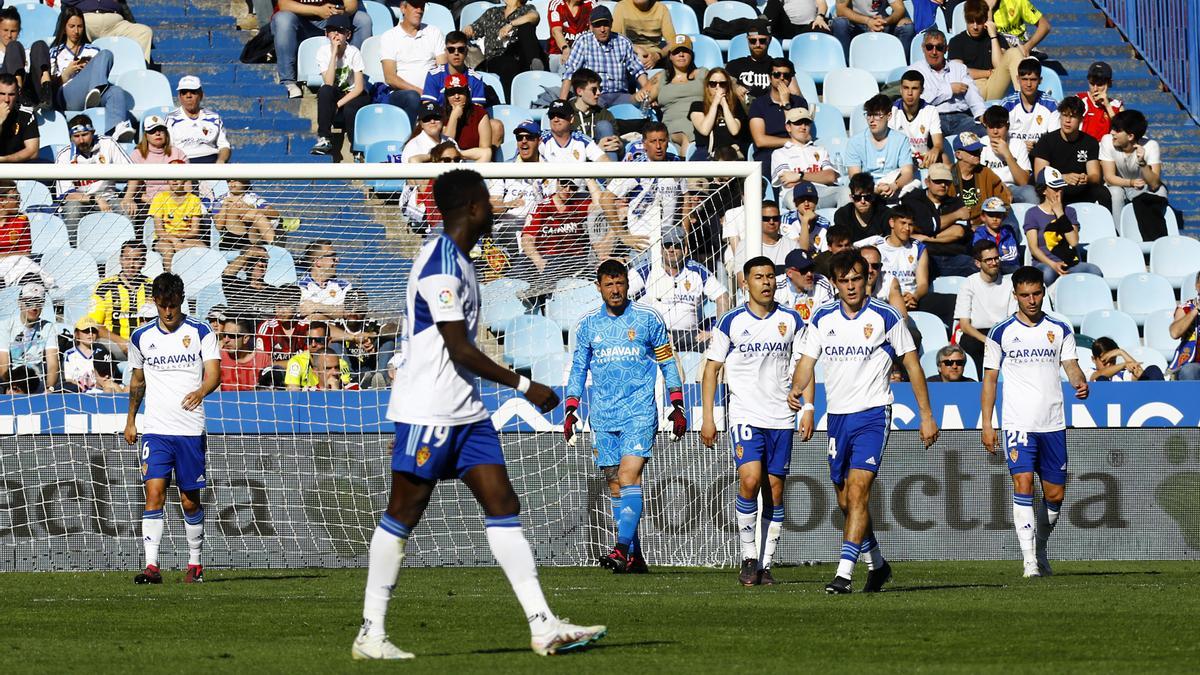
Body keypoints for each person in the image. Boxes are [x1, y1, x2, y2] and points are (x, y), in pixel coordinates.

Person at [354, 169, 606, 659]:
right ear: (471, 206)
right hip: (430, 408)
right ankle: (371, 631)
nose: (494, 208)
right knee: (404, 512)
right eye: (488, 201)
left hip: (465, 410)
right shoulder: (441, 264)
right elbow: (457, 348)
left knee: (502, 502)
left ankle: (542, 624)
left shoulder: (463, 261)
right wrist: (526, 385)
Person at [789, 249, 938, 593]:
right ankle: (879, 565)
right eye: (845, 281)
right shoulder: (823, 317)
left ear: (867, 278)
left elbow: (912, 365)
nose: (852, 286)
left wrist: (926, 416)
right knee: (845, 501)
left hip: (873, 413)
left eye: (858, 278)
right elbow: (807, 360)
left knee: (858, 492)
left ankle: (843, 575)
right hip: (838, 417)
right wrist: (797, 390)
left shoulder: (886, 316)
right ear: (835, 284)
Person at [565, 258, 685, 575]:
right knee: (616, 486)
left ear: (628, 284)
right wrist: (570, 408)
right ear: (599, 287)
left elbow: (668, 362)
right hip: (602, 415)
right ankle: (634, 556)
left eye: (620, 283)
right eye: (609, 284)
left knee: (630, 477)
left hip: (639, 411)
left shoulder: (647, 318)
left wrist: (677, 403)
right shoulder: (588, 325)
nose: (615, 290)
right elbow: (578, 368)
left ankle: (619, 550)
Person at [700, 255, 809, 586]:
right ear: (745, 283)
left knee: (775, 490)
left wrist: (808, 408)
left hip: (781, 415)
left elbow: (806, 364)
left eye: (770, 277)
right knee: (749, 480)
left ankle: (766, 563)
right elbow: (711, 370)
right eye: (758, 277)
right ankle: (748, 558)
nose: (766, 282)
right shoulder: (731, 321)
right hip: (746, 412)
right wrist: (709, 417)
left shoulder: (791, 320)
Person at [981, 264, 1088, 578]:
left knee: (1055, 496)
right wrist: (987, 424)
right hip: (1018, 423)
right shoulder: (1000, 332)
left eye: (1037, 293)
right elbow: (989, 380)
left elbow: (1071, 366)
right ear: (1015, 296)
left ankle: (1040, 549)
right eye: (1025, 295)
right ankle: (1029, 561)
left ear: (1044, 293)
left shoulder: (1060, 328)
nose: (1032, 300)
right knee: (1023, 484)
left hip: (1053, 422)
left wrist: (1080, 382)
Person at [125, 273, 222, 585]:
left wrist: (200, 392)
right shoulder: (141, 337)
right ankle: (151, 566)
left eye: (174, 305)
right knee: (153, 493)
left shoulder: (200, 331)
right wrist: (130, 420)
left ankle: (195, 563)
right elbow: (137, 381)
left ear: (182, 300)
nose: (168, 311)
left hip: (190, 430)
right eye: (163, 305)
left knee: (189, 500)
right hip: (156, 430)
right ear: (155, 302)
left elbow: (214, 374)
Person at [627, 227, 731, 351]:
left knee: (720, 345)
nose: (671, 249)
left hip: (691, 335)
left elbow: (723, 296)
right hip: (655, 334)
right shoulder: (647, 270)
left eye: (676, 245)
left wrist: (716, 331)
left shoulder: (697, 271)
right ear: (660, 249)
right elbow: (621, 293)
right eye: (667, 245)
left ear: (685, 249)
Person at [601, 122, 685, 264]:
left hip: (671, 245)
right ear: (644, 144)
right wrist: (623, 235)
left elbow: (686, 199)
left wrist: (685, 234)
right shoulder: (636, 167)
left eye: (662, 141)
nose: (658, 146)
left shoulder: (677, 163)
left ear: (668, 141)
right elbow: (605, 199)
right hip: (643, 246)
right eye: (653, 141)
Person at [47, 6, 135, 140]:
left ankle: (115, 131)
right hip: (66, 96)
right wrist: (66, 74)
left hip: (94, 97)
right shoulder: (54, 52)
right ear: (64, 28)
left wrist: (89, 69)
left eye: (80, 26)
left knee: (116, 90)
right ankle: (94, 91)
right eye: (72, 26)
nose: (76, 31)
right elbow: (48, 87)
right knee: (104, 56)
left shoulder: (93, 50)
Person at [272, 0, 371, 99]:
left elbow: (351, 5)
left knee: (363, 20)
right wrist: (318, 10)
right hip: (301, 22)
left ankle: (355, 80)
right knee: (283, 19)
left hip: (334, 21)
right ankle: (288, 82)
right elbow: (284, 4)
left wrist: (340, 11)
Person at [55, 114, 133, 238]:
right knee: (72, 209)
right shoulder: (64, 156)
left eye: (85, 135)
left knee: (127, 208)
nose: (81, 140)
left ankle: (127, 251)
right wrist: (95, 198)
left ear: (92, 132)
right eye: (76, 136)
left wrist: (128, 198)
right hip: (81, 202)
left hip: (109, 199)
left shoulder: (108, 144)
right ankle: (73, 252)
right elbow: (67, 195)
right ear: (71, 137)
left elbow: (134, 173)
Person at [1022, 167, 1103, 287]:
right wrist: (1053, 264)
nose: (1059, 192)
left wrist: (1060, 213)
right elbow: (1033, 248)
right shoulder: (1032, 213)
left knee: (1094, 271)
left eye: (1061, 188)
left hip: (1070, 263)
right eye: (1055, 188)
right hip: (1045, 264)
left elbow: (1074, 242)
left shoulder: (1069, 211)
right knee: (1048, 274)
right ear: (1044, 190)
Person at [558, 6, 650, 107]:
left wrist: (648, 93)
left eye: (606, 24)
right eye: (598, 25)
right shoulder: (583, 41)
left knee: (639, 104)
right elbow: (570, 73)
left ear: (611, 24)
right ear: (591, 27)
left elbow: (638, 71)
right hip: (595, 96)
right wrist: (562, 102)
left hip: (620, 94)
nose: (602, 29)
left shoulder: (623, 42)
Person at [1030, 96, 1108, 210]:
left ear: (1081, 119)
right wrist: (1062, 178)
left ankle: (1107, 226)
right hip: (1055, 188)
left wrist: (1086, 178)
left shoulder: (1090, 142)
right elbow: (1040, 177)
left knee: (1102, 192)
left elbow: (1095, 176)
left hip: (1081, 189)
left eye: (1073, 116)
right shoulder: (1046, 141)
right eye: (1065, 115)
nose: (1067, 120)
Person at [911, 28, 985, 146]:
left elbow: (973, 95)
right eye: (929, 47)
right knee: (921, 137)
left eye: (939, 47)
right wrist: (950, 89)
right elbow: (922, 99)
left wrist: (981, 115)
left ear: (946, 49)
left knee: (985, 132)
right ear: (923, 48)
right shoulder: (915, 70)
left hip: (961, 118)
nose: (934, 52)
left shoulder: (959, 68)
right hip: (933, 118)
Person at [310, 14, 370, 157]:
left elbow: (359, 88)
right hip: (336, 92)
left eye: (340, 30)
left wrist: (337, 105)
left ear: (348, 35)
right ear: (326, 33)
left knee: (350, 109)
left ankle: (356, 148)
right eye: (332, 30)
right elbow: (329, 83)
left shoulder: (354, 52)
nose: (336, 34)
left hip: (355, 93)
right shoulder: (323, 52)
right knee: (324, 91)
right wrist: (334, 55)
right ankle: (324, 138)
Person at [901, 162, 974, 277]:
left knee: (979, 266)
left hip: (953, 256)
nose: (943, 185)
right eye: (938, 181)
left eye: (946, 182)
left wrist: (925, 237)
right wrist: (956, 215)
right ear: (927, 182)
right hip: (924, 255)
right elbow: (927, 225)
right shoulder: (913, 200)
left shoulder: (957, 202)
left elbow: (958, 232)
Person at [1099, 109, 1167, 229]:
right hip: (1120, 185)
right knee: (1115, 192)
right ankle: (1120, 233)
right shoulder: (1107, 140)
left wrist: (1142, 163)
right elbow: (1109, 178)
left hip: (1142, 188)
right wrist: (1130, 182)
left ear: (1130, 136)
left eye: (1117, 130)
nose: (1112, 132)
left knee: (1161, 191)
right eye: (1113, 128)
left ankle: (1154, 233)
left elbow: (1155, 184)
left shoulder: (1151, 146)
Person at [380, 0, 446, 124]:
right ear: (403, 8)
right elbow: (390, 77)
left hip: (432, 92)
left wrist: (430, 93)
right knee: (412, 97)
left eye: (422, 6)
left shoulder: (434, 32)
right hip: (401, 94)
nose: (419, 10)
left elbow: (443, 68)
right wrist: (421, 92)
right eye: (415, 6)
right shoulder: (389, 37)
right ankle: (409, 139)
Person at [520, 178, 593, 289]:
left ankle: (538, 291)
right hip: (546, 258)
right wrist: (538, 260)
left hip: (574, 258)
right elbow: (527, 239)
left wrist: (589, 178)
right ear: (557, 182)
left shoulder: (579, 204)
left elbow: (600, 202)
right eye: (564, 184)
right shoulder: (542, 206)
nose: (567, 189)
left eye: (573, 187)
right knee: (519, 267)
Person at [855, 205, 929, 312]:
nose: (907, 228)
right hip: (885, 300)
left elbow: (923, 284)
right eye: (903, 223)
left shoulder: (918, 248)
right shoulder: (877, 248)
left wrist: (914, 297)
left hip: (911, 300)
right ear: (892, 223)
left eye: (910, 224)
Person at [89, 241, 154, 359]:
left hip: (145, 344)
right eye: (127, 259)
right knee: (100, 352)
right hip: (114, 344)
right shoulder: (104, 287)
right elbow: (95, 325)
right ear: (120, 260)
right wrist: (121, 342)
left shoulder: (152, 287)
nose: (131, 264)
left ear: (144, 262)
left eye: (136, 260)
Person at [949, 0, 1024, 101]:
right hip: (973, 86)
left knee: (1014, 52)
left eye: (979, 22)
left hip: (994, 85)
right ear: (966, 20)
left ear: (985, 20)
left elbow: (999, 66)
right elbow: (959, 72)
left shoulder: (997, 38)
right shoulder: (956, 41)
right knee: (977, 86)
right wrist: (988, 73)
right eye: (971, 22)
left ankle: (1022, 98)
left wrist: (993, 37)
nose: (975, 27)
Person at [846, 94, 915, 202]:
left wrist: (894, 186)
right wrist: (874, 190)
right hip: (866, 188)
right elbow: (855, 177)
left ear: (889, 116)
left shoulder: (901, 140)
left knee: (915, 188)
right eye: (869, 115)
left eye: (877, 115)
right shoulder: (855, 142)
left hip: (893, 186)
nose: (871, 120)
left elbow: (908, 173)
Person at [771, 107, 843, 209]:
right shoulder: (779, 153)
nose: (803, 127)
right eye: (798, 123)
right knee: (792, 198)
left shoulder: (820, 150)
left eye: (806, 123)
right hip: (795, 194)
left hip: (821, 193)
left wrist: (799, 175)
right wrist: (819, 177)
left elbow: (830, 177)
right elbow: (788, 182)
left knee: (845, 191)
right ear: (788, 127)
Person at [746, 58, 809, 174]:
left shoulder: (800, 103)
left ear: (790, 79)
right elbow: (760, 140)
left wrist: (786, 104)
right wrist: (791, 141)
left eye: (786, 75)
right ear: (770, 77)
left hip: (797, 154)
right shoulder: (758, 104)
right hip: (769, 155)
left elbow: (802, 134)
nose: (781, 78)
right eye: (777, 74)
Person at [464, 0, 545, 85]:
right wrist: (467, 30)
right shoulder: (492, 12)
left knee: (526, 26)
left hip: (521, 55)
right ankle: (509, 97)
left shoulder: (526, 9)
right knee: (509, 65)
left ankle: (535, 65)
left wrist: (511, 24)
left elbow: (534, 16)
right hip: (496, 57)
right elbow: (473, 29)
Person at [0, 279, 59, 394]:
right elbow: (3, 366)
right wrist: (13, 387)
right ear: (19, 302)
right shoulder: (5, 326)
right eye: (29, 302)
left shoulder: (48, 327)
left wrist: (49, 388)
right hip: (13, 382)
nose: (34, 307)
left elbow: (53, 364)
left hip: (37, 383)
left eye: (38, 303)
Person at [124, 115, 189, 218]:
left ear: (166, 133)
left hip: (176, 201)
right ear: (146, 135)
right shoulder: (137, 155)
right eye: (152, 131)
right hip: (148, 202)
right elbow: (135, 188)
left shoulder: (179, 154)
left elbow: (187, 186)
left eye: (161, 130)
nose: (157, 133)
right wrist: (153, 201)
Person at [652, 35, 705, 155]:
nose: (681, 55)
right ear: (670, 56)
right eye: (677, 52)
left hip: (699, 120)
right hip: (672, 124)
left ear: (691, 55)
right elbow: (640, 97)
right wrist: (644, 99)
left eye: (685, 51)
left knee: (692, 132)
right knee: (688, 134)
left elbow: (725, 81)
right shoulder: (662, 77)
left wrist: (737, 87)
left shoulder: (702, 74)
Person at [947, 130, 1012, 226]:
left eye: (979, 150)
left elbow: (1004, 202)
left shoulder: (986, 173)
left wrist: (976, 220)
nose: (978, 153)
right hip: (956, 226)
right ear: (958, 155)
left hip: (985, 225)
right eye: (972, 151)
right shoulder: (947, 177)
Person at [166, 76, 232, 164]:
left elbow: (224, 146)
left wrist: (221, 160)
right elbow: (168, 148)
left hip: (211, 162)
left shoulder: (214, 118)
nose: (188, 96)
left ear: (201, 95)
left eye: (193, 92)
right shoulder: (171, 119)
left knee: (239, 176)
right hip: (183, 163)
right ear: (179, 96)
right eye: (184, 92)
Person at [61, 0, 154, 62]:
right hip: (87, 20)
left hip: (115, 22)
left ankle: (137, 75)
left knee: (143, 32)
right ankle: (76, 72)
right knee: (76, 30)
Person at [689, 68, 749, 161]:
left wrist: (725, 105)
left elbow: (734, 130)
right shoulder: (697, 106)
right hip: (706, 153)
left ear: (727, 86)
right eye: (713, 84)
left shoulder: (735, 106)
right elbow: (705, 130)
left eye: (722, 84)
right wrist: (715, 104)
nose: (718, 87)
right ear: (707, 86)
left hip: (730, 153)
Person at [980, 104, 1036, 204]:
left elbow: (1024, 182)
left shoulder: (1018, 144)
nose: (995, 131)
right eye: (991, 127)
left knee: (1031, 193)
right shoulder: (981, 144)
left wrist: (1007, 155)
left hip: (1012, 188)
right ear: (986, 127)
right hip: (986, 188)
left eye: (999, 127)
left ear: (1008, 126)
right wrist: (1000, 186)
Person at [0, 7, 53, 112]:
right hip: (7, 94)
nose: (9, 35)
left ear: (19, 31)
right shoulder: (14, 47)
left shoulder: (25, 51)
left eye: (13, 31)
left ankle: (47, 89)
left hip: (31, 94)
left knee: (39, 45)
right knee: (13, 46)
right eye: (5, 30)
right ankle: (18, 91)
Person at [1000, 58, 1058, 152]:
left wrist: (1038, 146)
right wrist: (1020, 147)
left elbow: (1055, 140)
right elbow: (999, 139)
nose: (1029, 84)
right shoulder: (1007, 105)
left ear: (1040, 80)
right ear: (1017, 79)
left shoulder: (1051, 104)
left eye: (1033, 79)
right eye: (1024, 79)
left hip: (1040, 155)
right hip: (1013, 156)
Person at [889, 70, 943, 170]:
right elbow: (890, 146)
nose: (909, 93)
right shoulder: (892, 110)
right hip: (900, 161)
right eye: (906, 88)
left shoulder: (930, 111)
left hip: (924, 160)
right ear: (900, 89)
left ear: (921, 90)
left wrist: (936, 149)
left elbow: (938, 143)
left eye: (914, 88)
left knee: (944, 158)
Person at [566, 68, 623, 161]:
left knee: (604, 125)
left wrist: (619, 146)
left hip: (603, 163)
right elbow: (564, 150)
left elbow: (617, 150)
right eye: (594, 90)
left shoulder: (604, 114)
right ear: (579, 91)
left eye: (599, 89)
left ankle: (611, 174)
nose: (598, 93)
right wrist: (595, 150)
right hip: (576, 167)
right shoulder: (566, 115)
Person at [733, 201, 797, 284]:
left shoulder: (793, 246)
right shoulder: (744, 246)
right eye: (766, 219)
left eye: (775, 218)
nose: (771, 222)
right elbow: (742, 282)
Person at [831, 0, 915, 62]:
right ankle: (845, 67)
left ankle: (899, 69)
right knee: (840, 23)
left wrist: (886, 21)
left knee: (907, 27)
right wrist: (868, 21)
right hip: (855, 24)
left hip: (881, 22)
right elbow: (841, 10)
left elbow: (899, 9)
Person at [149, 178, 204, 272]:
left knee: (202, 249)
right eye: (171, 178)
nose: (174, 181)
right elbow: (159, 231)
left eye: (178, 178)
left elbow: (194, 231)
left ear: (184, 180)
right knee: (168, 251)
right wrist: (175, 240)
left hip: (187, 238)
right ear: (167, 180)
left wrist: (179, 239)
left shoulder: (194, 199)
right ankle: (169, 280)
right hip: (164, 239)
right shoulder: (160, 197)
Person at [421, 31, 487, 106]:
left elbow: (477, 112)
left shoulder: (475, 79)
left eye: (461, 49)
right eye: (451, 49)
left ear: (466, 51)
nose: (456, 53)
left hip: (467, 117)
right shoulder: (433, 76)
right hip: (438, 117)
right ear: (446, 52)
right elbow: (428, 108)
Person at [62, 316, 122, 393]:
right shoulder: (69, 355)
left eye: (93, 331)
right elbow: (68, 379)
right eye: (86, 331)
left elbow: (109, 378)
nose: (90, 334)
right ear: (77, 334)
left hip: (101, 390)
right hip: (79, 392)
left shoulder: (103, 353)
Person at [284, 322, 352, 390]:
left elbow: (344, 391)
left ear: (328, 341)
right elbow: (293, 393)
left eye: (319, 340)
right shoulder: (296, 362)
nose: (313, 345)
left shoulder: (340, 364)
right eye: (309, 340)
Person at [214, 179, 280, 248]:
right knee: (233, 207)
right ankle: (273, 244)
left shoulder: (253, 198)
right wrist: (225, 206)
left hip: (252, 234)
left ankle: (274, 245)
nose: (232, 184)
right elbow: (218, 226)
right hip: (231, 236)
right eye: (229, 181)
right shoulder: (221, 200)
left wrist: (250, 210)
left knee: (258, 214)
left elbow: (274, 213)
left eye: (236, 180)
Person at [442, 74, 493, 162]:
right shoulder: (441, 114)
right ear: (447, 96)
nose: (457, 96)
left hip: (473, 160)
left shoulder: (479, 112)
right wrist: (454, 116)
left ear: (467, 93)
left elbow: (485, 149)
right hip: (448, 162)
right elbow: (446, 145)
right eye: (452, 93)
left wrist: (458, 154)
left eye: (460, 91)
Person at [222, 246, 281, 322]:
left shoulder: (273, 291)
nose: (260, 264)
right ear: (244, 266)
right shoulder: (236, 287)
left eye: (264, 260)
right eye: (254, 260)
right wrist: (249, 253)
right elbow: (228, 273)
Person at [539, 98, 608, 163]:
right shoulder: (541, 139)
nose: (556, 119)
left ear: (571, 119)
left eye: (561, 115)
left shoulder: (582, 139)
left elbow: (604, 160)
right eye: (552, 116)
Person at [612, 0, 675, 70]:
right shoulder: (622, 6)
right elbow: (615, 38)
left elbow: (673, 42)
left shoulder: (661, 9)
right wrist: (636, 50)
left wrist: (658, 55)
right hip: (629, 53)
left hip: (655, 56)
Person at [298, 239, 353, 319]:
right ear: (318, 262)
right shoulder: (300, 286)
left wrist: (316, 306)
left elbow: (347, 313)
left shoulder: (344, 286)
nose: (337, 260)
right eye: (333, 257)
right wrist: (333, 311)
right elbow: (304, 313)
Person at [774, 248, 835, 321]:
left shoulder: (822, 283)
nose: (809, 274)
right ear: (789, 273)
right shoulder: (776, 287)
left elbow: (828, 318)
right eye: (804, 270)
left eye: (811, 268)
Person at [726, 21, 780, 103]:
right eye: (753, 41)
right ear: (747, 40)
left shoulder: (780, 66)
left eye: (762, 40)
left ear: (770, 40)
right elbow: (721, 85)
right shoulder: (734, 65)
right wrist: (735, 87)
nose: (757, 44)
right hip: (742, 114)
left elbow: (797, 96)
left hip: (772, 112)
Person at [833, 173, 891, 240]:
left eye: (867, 197)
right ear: (851, 198)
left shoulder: (886, 215)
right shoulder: (842, 215)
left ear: (873, 197)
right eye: (857, 197)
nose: (863, 201)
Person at [971, 197, 1021, 274]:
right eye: (991, 215)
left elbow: (1013, 255)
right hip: (989, 268)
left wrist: (994, 256)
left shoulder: (1008, 231)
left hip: (1010, 267)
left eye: (998, 215)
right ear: (983, 217)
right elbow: (981, 255)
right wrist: (1002, 252)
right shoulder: (979, 233)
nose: (995, 219)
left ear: (1003, 217)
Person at [220, 317, 272, 391]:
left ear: (245, 338)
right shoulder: (219, 357)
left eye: (232, 336)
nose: (226, 340)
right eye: (224, 335)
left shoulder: (262, 358)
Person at [782, 181, 833, 252]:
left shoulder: (825, 224)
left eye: (810, 199)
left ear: (816, 201)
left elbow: (825, 254)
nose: (806, 204)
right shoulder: (786, 220)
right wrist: (805, 222)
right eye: (801, 200)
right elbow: (802, 252)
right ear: (795, 203)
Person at [1077, 61, 1122, 142]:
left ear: (1110, 83)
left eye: (1100, 84)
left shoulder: (1116, 105)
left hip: (1105, 150)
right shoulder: (1079, 100)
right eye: (1092, 84)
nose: (1095, 89)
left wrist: (1108, 106)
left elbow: (1124, 132)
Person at [1088, 336, 1163, 382]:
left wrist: (1121, 352)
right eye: (1104, 361)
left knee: (1153, 370)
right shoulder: (1088, 372)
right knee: (1102, 379)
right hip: (1104, 404)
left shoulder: (1121, 374)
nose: (1109, 365)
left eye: (1112, 360)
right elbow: (1099, 375)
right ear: (1093, 359)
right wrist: (1124, 364)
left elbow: (1140, 374)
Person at [1168, 272, 1200, 381]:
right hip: (1192, 363)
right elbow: (1174, 333)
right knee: (1189, 371)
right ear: (1197, 285)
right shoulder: (1186, 308)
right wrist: (1196, 310)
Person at [0, 73, 37, 163]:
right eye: (2, 94)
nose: (6, 99)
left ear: (17, 94)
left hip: (17, 170)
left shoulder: (26, 114)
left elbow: (33, 151)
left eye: (11, 94)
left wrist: (4, 160)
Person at [547, 0, 594, 65]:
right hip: (559, 53)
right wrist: (565, 49)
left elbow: (594, 30)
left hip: (584, 53)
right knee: (564, 65)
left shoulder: (590, 4)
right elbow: (556, 31)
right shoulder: (557, 4)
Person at [764, 0, 832, 39]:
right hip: (787, 27)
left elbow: (822, 4)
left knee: (821, 26)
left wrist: (820, 17)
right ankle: (763, 22)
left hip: (809, 26)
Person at [0, 179, 29, 255]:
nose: (19, 201)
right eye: (16, 197)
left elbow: (25, 253)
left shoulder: (21, 221)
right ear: (2, 200)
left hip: (14, 264)